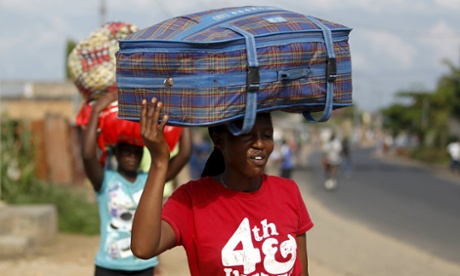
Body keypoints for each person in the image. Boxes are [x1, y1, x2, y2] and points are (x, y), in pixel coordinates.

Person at [132, 98, 314, 276]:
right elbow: (143, 248)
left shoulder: (288, 191)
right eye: (247, 135)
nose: (260, 144)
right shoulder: (192, 199)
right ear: (220, 140)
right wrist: (159, 162)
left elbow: (301, 271)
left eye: (266, 135)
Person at [82, 93, 192, 276]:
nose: (131, 155)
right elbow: (87, 155)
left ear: (143, 154)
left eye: (136, 151)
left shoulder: (150, 182)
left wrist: (183, 116)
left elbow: (185, 154)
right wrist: (96, 112)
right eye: (126, 151)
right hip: (108, 267)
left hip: (143, 267)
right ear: (116, 154)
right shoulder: (105, 180)